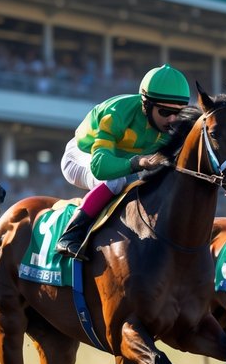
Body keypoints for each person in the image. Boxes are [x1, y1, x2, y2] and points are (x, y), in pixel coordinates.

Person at [54, 64, 190, 259]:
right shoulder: (116, 113)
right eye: (164, 112)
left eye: (178, 113)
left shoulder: (175, 125)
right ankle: (71, 234)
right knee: (115, 181)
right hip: (81, 157)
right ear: (146, 104)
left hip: (123, 164)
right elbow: (100, 167)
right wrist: (138, 163)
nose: (172, 119)